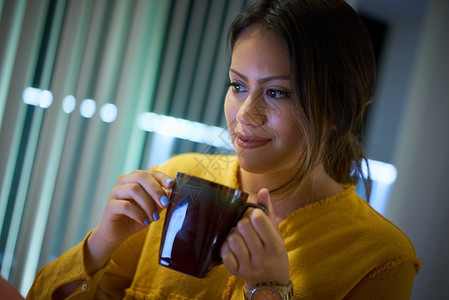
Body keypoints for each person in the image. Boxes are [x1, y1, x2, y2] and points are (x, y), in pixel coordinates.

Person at [27, 0, 422, 299]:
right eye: (237, 86)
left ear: (337, 109)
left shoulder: (381, 258)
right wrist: (101, 244)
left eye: (276, 92)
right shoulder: (180, 178)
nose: (245, 114)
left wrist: (269, 289)